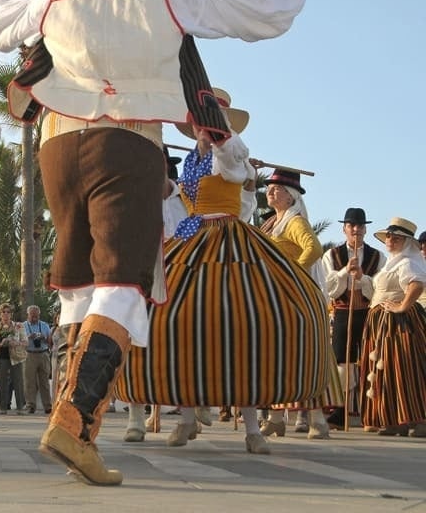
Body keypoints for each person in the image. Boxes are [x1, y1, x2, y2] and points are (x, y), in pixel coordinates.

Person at [0, 0, 304, 485]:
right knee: (123, 283)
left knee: (78, 285)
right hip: (124, 143)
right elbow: (267, 11)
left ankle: (72, 426)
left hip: (56, 147)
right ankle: (74, 427)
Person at [116, 90, 329, 455]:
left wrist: (225, 147)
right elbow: (185, 199)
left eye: (209, 122)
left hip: (232, 240)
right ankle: (185, 416)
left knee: (244, 324)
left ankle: (252, 428)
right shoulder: (196, 161)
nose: (204, 129)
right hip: (194, 237)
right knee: (173, 315)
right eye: (200, 124)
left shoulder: (233, 152)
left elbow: (233, 173)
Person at [258, 169, 338, 439]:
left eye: (277, 189)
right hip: (279, 298)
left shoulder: (295, 222)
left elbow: (314, 249)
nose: (270, 191)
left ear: (291, 197)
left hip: (296, 299)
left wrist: (294, 275)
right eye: (269, 188)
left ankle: (318, 420)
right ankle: (277, 418)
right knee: (280, 358)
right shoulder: (273, 223)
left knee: (303, 356)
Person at [360, 218, 426, 437]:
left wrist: (402, 306)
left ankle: (416, 419)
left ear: (407, 242)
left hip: (399, 325)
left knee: (403, 369)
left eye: (396, 237)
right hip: (382, 322)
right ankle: (393, 419)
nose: (390, 240)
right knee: (386, 371)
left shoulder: (408, 262)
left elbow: (416, 284)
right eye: (389, 236)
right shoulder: (392, 263)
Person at [321, 208, 383, 429]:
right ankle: (340, 410)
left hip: (366, 312)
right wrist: (345, 272)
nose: (355, 230)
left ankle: (369, 412)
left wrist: (363, 279)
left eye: (359, 226)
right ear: (344, 229)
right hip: (342, 312)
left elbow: (379, 287)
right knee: (341, 361)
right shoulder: (331, 255)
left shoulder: (378, 256)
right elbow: (327, 286)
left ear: (365, 229)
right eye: (351, 226)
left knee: (368, 360)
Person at [0, 303, 26, 415]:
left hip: (15, 358)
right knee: (3, 383)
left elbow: (26, 342)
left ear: (11, 314)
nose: (6, 314)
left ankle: (20, 407)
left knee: (18, 382)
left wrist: (16, 343)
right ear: (0, 314)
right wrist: (0, 345)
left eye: (8, 312)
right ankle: (3, 407)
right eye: (3, 312)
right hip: (2, 357)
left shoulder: (18, 326)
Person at [21, 305, 53, 414]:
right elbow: (19, 342)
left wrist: (43, 337)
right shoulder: (22, 326)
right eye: (32, 315)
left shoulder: (44, 325)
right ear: (28, 315)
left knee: (44, 382)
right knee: (29, 381)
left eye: (36, 315)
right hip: (29, 354)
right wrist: (29, 337)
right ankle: (30, 405)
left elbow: (50, 343)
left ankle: (48, 406)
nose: (34, 317)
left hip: (43, 354)